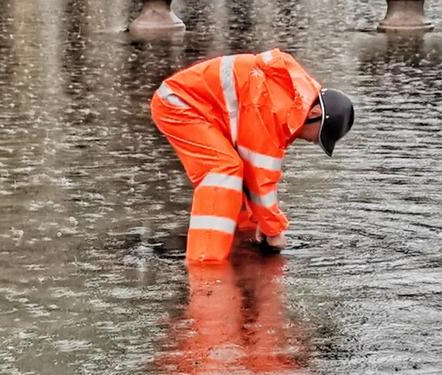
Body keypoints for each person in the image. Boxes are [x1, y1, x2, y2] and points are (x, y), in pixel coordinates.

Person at [150, 48, 355, 262]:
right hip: (179, 105)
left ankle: (241, 245)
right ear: (315, 114)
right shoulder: (275, 109)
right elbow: (261, 178)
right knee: (224, 169)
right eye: (318, 136)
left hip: (197, 107)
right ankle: (205, 263)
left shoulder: (285, 97)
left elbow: (253, 171)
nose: (313, 141)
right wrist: (274, 232)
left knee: (237, 168)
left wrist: (263, 224)